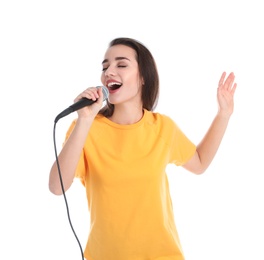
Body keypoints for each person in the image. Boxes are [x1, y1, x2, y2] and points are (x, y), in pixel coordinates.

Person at [49, 37, 237, 260]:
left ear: (143, 77)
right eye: (105, 66)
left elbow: (199, 162)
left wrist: (223, 115)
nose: (109, 71)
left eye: (121, 64)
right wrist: (84, 120)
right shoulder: (85, 129)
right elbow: (56, 187)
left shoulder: (162, 128)